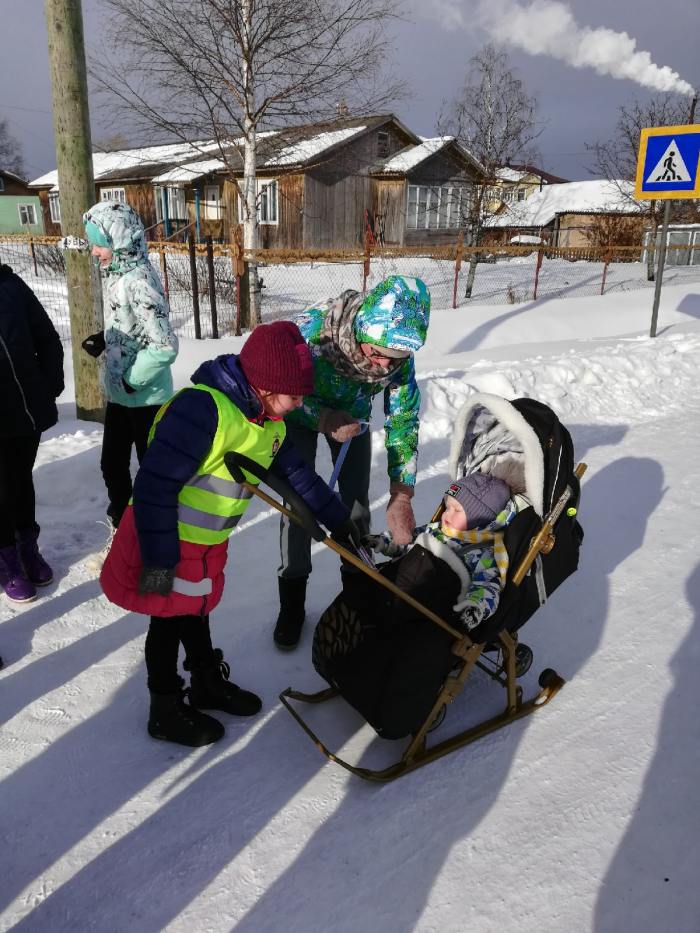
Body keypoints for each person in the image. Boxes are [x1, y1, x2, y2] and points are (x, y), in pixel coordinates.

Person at [100, 321, 355, 748]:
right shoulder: (202, 411)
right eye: (294, 397)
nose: (298, 406)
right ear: (268, 386)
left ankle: (204, 681)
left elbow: (300, 478)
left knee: (193, 611)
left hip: (203, 544)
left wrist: (341, 522)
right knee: (166, 621)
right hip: (159, 538)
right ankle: (164, 708)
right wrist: (160, 561)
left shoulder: (267, 422)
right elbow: (153, 486)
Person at [274, 275, 431, 650]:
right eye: (376, 354)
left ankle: (358, 587)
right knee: (298, 507)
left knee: (356, 502)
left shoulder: (397, 355)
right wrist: (324, 418)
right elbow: (277, 390)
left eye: (393, 360)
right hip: (300, 414)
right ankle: (292, 600)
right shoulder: (312, 334)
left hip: (354, 423)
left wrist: (401, 493)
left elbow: (403, 420)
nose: (382, 366)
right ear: (362, 329)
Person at [81, 200, 178, 570]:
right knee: (112, 465)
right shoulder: (119, 275)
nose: (94, 251)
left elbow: (165, 346)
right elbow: (133, 327)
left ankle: (153, 549)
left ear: (120, 241)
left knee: (151, 476)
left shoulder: (139, 281)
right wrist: (105, 339)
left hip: (147, 397)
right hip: (122, 396)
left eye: (99, 243)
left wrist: (132, 380)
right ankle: (125, 534)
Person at [365, 472, 516, 632]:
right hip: (395, 586)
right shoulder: (437, 529)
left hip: (428, 611)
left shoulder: (482, 552)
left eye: (456, 510)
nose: (446, 515)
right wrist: (385, 541)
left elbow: (486, 584)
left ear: (479, 517)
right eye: (447, 507)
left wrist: (474, 606)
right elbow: (407, 540)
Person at [0, 263, 64, 603]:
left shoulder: (10, 284)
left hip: (25, 407)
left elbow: (46, 336)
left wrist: (49, 384)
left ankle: (28, 547)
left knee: (21, 480)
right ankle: (7, 559)